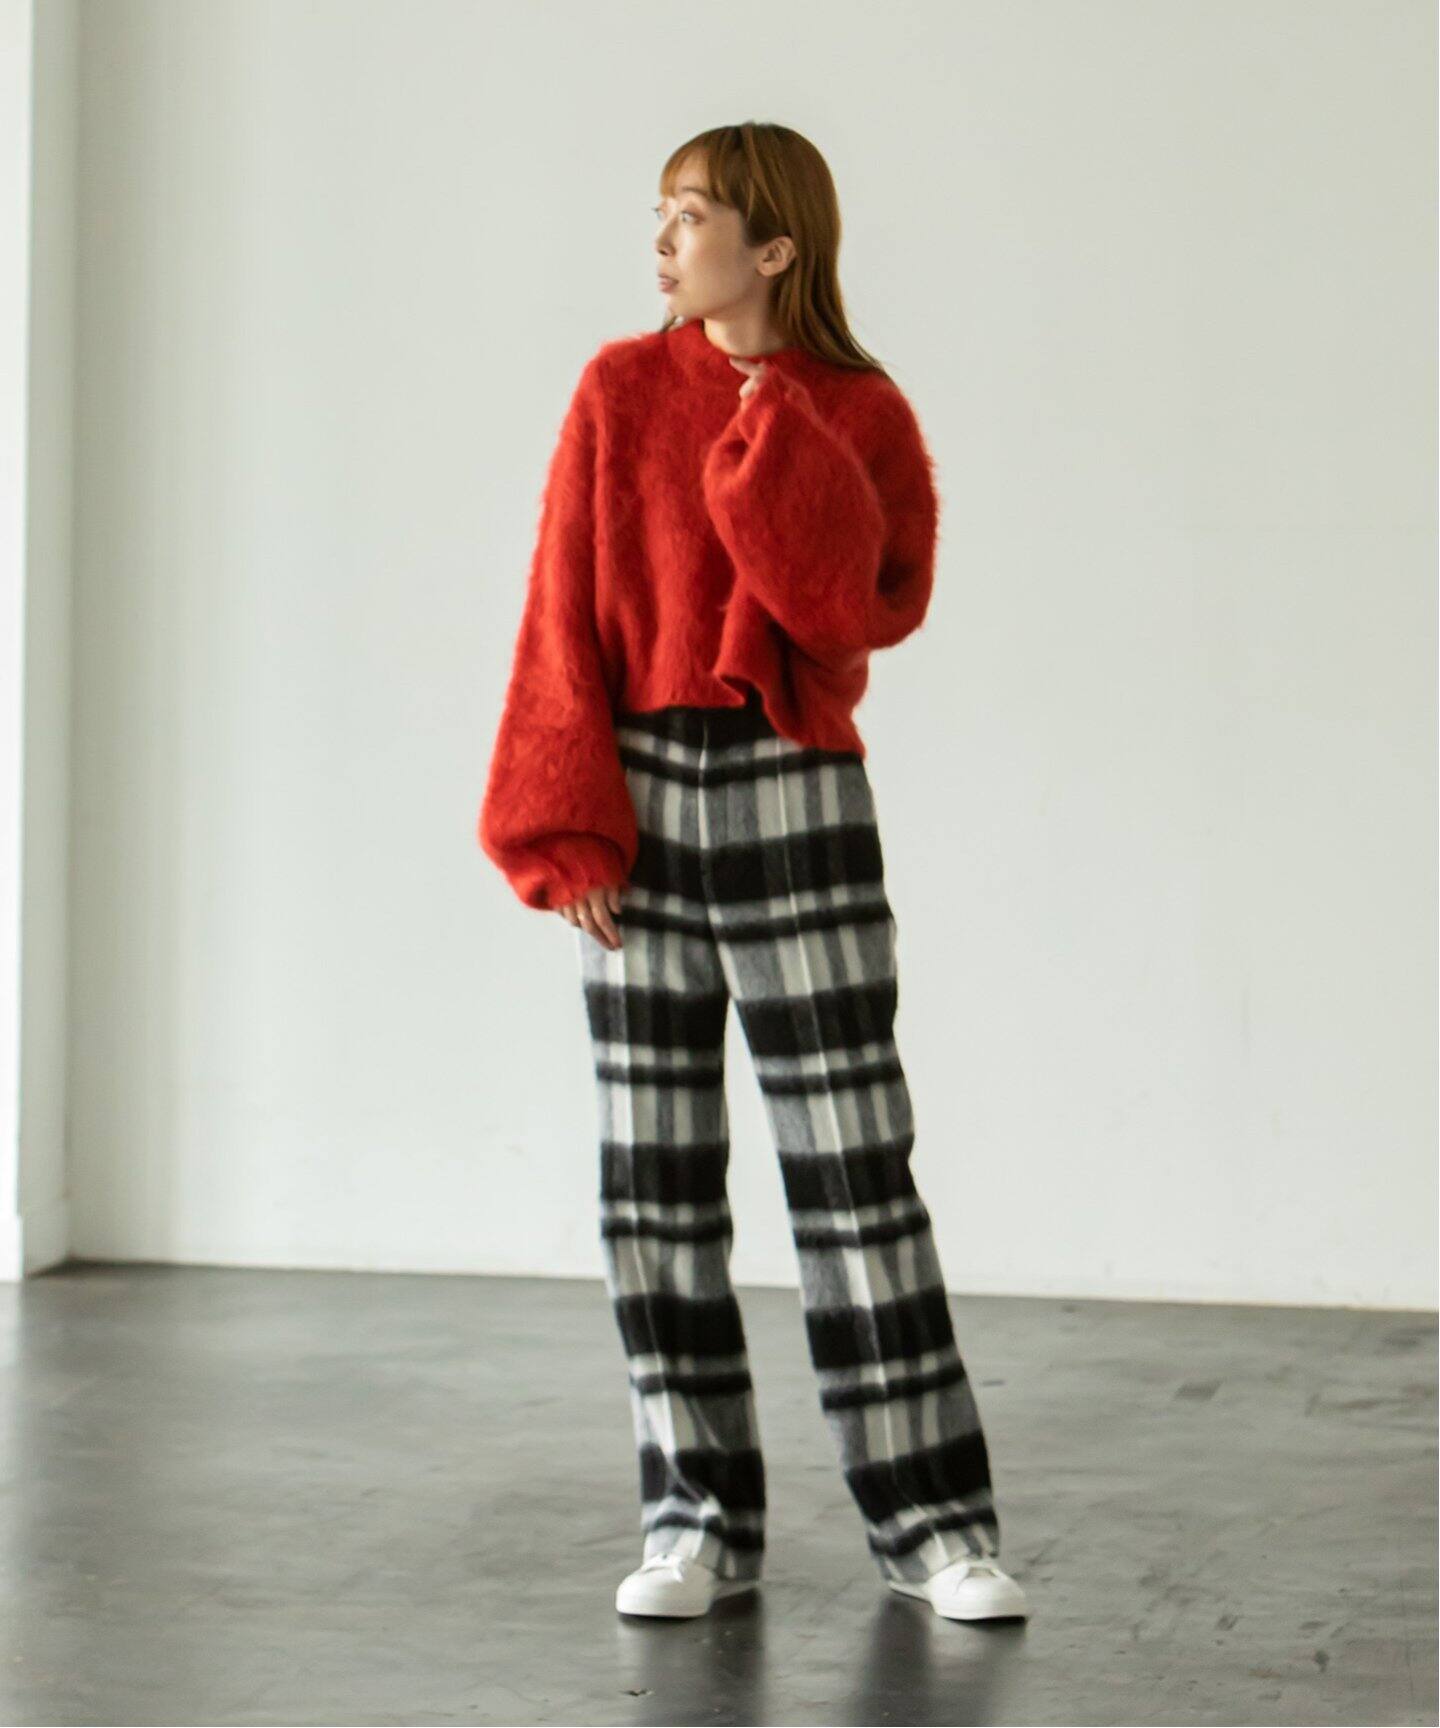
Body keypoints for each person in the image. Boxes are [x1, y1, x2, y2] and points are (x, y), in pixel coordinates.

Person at [478, 122, 1029, 1626]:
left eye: (693, 216)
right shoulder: (617, 390)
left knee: (857, 1172)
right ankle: (696, 1526)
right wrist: (564, 823)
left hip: (796, 783)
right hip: (639, 797)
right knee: (653, 1183)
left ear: (774, 246)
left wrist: (770, 435)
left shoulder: (857, 408)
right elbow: (560, 611)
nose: (663, 242)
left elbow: (857, 612)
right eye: (658, 215)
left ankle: (937, 1529)